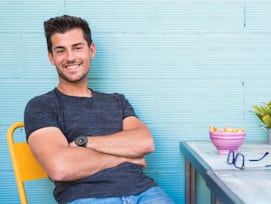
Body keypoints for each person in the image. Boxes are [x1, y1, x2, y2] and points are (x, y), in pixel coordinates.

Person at [24, 15, 174, 204]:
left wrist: (82, 142)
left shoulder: (117, 101)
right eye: (61, 50)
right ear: (51, 57)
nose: (70, 57)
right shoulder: (42, 106)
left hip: (145, 192)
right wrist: (126, 157)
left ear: (91, 50)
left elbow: (145, 143)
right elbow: (60, 168)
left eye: (77, 48)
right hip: (87, 198)